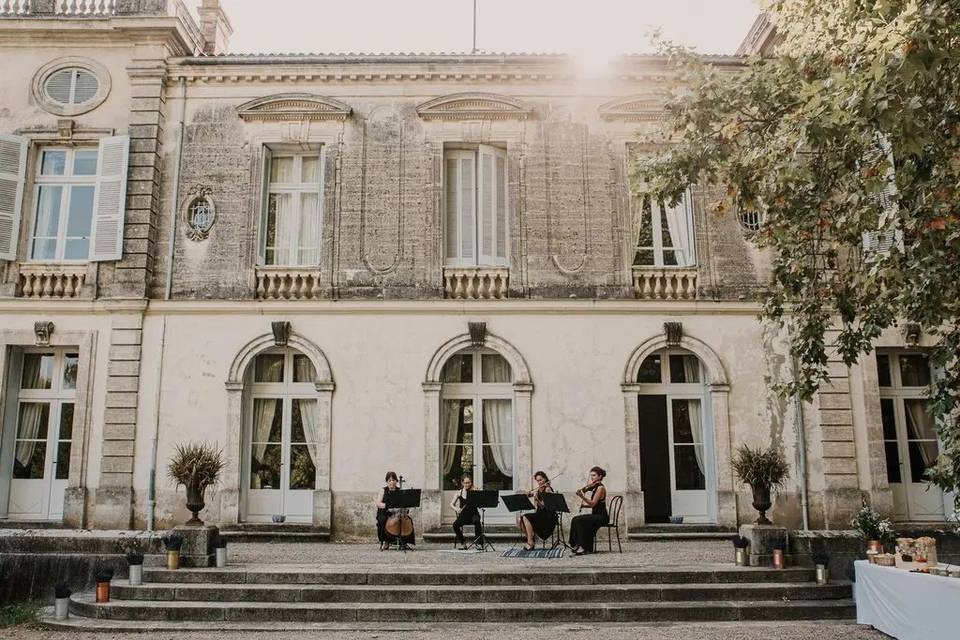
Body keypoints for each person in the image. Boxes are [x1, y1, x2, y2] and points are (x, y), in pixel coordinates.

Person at [569, 466, 608, 556]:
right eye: (591, 476)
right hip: (596, 515)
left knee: (579, 520)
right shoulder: (595, 487)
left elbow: (593, 504)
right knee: (575, 519)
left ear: (600, 476)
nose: (592, 478)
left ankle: (582, 546)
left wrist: (582, 497)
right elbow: (595, 504)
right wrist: (583, 505)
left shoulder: (600, 488)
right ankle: (576, 544)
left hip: (601, 517)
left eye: (594, 475)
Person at [375, 471, 415, 550]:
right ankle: (386, 541)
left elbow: (405, 504)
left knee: (409, 520)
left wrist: (405, 507)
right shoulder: (383, 490)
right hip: (385, 512)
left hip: (397, 513)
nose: (391, 482)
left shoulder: (399, 491)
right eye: (389, 480)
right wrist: (388, 505)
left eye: (393, 480)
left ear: (396, 481)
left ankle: (404, 542)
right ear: (387, 482)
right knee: (381, 521)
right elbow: (378, 503)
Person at [517, 471, 556, 551]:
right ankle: (530, 539)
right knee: (519, 520)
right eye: (537, 481)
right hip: (539, 514)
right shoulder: (539, 489)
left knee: (525, 517)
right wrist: (528, 495)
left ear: (545, 479)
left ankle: (530, 543)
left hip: (547, 516)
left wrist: (536, 499)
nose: (539, 482)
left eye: (541, 480)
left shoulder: (547, 489)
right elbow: (536, 505)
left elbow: (543, 506)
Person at [450, 474, 484, 550]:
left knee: (477, 521)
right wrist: (456, 509)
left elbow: (480, 503)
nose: (468, 484)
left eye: (469, 482)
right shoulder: (459, 492)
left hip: (474, 514)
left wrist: (478, 494)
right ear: (462, 483)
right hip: (464, 516)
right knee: (455, 525)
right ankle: (463, 543)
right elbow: (451, 504)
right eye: (466, 483)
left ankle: (479, 543)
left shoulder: (474, 491)